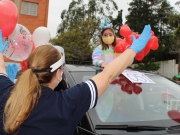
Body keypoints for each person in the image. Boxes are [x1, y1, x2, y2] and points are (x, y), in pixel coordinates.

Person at [0, 24, 152, 135]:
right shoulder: (65, 104)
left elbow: (1, 71)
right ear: (58, 73)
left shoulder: (7, 94)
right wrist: (134, 49)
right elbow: (109, 74)